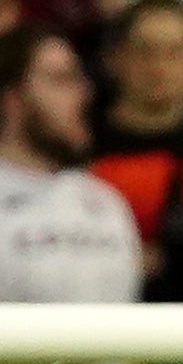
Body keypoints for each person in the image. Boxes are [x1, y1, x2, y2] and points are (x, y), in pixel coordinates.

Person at [0, 24, 141, 304]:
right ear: (13, 98)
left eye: (80, 79)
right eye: (62, 79)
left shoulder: (106, 200)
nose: (84, 93)